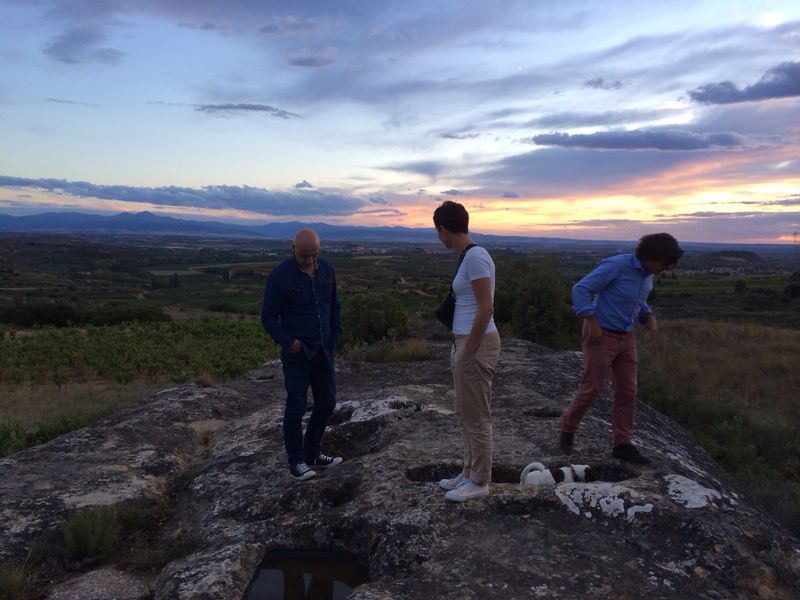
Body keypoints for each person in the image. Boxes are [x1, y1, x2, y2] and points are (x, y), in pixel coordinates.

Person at [559, 232, 683, 464]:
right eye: (664, 263)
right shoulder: (616, 266)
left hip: (626, 337)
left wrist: (648, 316)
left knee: (627, 391)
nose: (666, 268)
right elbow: (581, 289)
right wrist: (591, 321)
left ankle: (622, 444)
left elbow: (638, 301)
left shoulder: (648, 274)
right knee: (591, 388)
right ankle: (568, 428)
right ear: (650, 257)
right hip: (601, 335)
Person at [261, 229, 343, 480]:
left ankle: (312, 453)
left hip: (323, 348)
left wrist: (334, 335)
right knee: (296, 406)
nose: (309, 260)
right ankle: (296, 462)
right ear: (292, 248)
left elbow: (334, 305)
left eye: (313, 255)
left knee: (327, 403)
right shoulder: (279, 276)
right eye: (304, 255)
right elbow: (268, 317)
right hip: (298, 352)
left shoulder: (326, 270)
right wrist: (289, 343)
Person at [434, 201, 502, 502]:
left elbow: (486, 308)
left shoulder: (476, 257)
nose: (439, 238)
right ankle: (468, 472)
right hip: (464, 342)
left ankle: (480, 481)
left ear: (443, 229)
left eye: (438, 232)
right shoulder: (470, 257)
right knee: (466, 412)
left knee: (477, 416)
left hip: (476, 344)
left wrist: (468, 350)